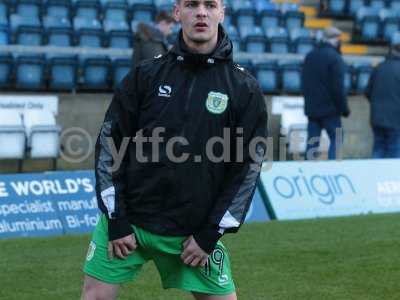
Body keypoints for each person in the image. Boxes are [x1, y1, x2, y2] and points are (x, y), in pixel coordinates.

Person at [82, 0, 268, 299]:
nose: (201, 12)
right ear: (177, 11)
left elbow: (246, 170)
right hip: (130, 224)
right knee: (94, 296)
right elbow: (109, 146)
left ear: (222, 12)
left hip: (192, 233)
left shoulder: (243, 88)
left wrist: (210, 234)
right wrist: (116, 220)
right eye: (192, 4)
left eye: (210, 4)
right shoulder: (145, 75)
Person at [301, 27, 350, 160]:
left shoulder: (310, 56)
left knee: (312, 143)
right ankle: (333, 168)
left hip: (312, 110)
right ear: (335, 40)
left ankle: (306, 171)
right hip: (330, 110)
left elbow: (304, 83)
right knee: (337, 138)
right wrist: (344, 109)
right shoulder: (335, 58)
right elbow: (338, 88)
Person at [365, 42, 400, 158]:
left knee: (378, 148)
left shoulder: (378, 68)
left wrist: (376, 104)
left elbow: (367, 92)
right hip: (395, 119)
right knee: (394, 150)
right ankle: (393, 176)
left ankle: (375, 175)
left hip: (377, 117)